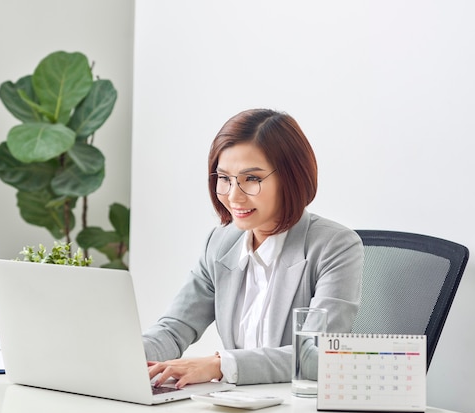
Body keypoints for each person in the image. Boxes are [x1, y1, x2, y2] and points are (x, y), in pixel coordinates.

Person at [143, 108, 363, 388]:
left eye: (252, 179)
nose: (234, 196)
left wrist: (220, 365)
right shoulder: (219, 243)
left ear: (291, 178)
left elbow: (317, 356)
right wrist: (124, 357)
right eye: (224, 178)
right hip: (236, 404)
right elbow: (174, 329)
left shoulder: (335, 246)